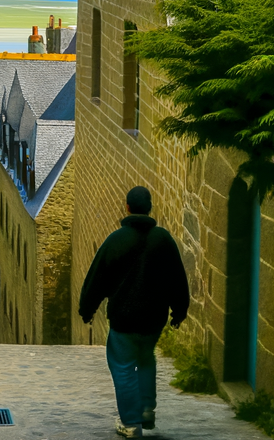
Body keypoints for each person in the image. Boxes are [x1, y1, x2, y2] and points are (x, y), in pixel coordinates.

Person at [78, 186, 189, 439]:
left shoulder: (116, 240)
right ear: (149, 208)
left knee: (123, 365)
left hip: (124, 317)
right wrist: (179, 311)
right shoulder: (163, 239)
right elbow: (177, 278)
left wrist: (87, 309)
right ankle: (147, 409)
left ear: (127, 207)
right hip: (153, 318)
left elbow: (96, 278)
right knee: (146, 358)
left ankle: (130, 422)